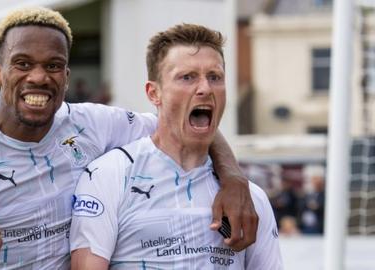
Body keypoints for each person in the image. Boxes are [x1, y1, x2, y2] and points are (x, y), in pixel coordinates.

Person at [0, 7, 257, 269]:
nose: (38, 77)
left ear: (66, 77)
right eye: (22, 63)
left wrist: (234, 179)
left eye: (53, 66)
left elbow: (183, 122)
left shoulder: (92, 124)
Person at [70, 24, 282, 269]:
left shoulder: (249, 198)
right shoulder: (109, 175)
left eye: (215, 77)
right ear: (154, 93)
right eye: (187, 77)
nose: (205, 88)